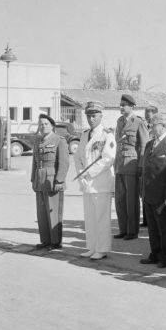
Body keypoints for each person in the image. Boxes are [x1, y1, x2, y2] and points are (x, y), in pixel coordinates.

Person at [139, 114, 166, 268]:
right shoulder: (149, 144)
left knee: (164, 228)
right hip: (149, 194)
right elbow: (146, 169)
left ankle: (165, 257)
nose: (150, 127)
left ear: (163, 126)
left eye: (153, 124)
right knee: (152, 228)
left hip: (163, 196)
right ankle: (155, 254)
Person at [74, 101, 116, 260]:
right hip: (86, 184)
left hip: (101, 183)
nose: (91, 119)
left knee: (101, 218)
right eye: (89, 115)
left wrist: (89, 173)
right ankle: (91, 247)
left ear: (100, 116)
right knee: (90, 217)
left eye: (94, 115)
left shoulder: (107, 135)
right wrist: (81, 174)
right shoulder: (85, 135)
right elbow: (78, 157)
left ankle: (102, 249)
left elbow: (108, 158)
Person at [30, 114, 70, 250]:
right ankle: (45, 240)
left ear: (52, 126)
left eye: (46, 124)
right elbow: (35, 163)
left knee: (53, 212)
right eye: (41, 124)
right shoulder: (38, 141)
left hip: (53, 181)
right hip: (40, 181)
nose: (43, 126)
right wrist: (33, 180)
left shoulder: (59, 140)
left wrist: (59, 180)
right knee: (42, 213)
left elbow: (64, 162)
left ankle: (55, 242)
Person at [114, 93, 149, 240]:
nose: (121, 107)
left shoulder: (138, 122)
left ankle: (132, 231)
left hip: (132, 164)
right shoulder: (120, 121)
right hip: (120, 165)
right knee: (120, 199)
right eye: (120, 105)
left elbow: (144, 146)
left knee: (131, 200)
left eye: (124, 105)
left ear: (131, 106)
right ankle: (123, 229)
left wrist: (141, 166)